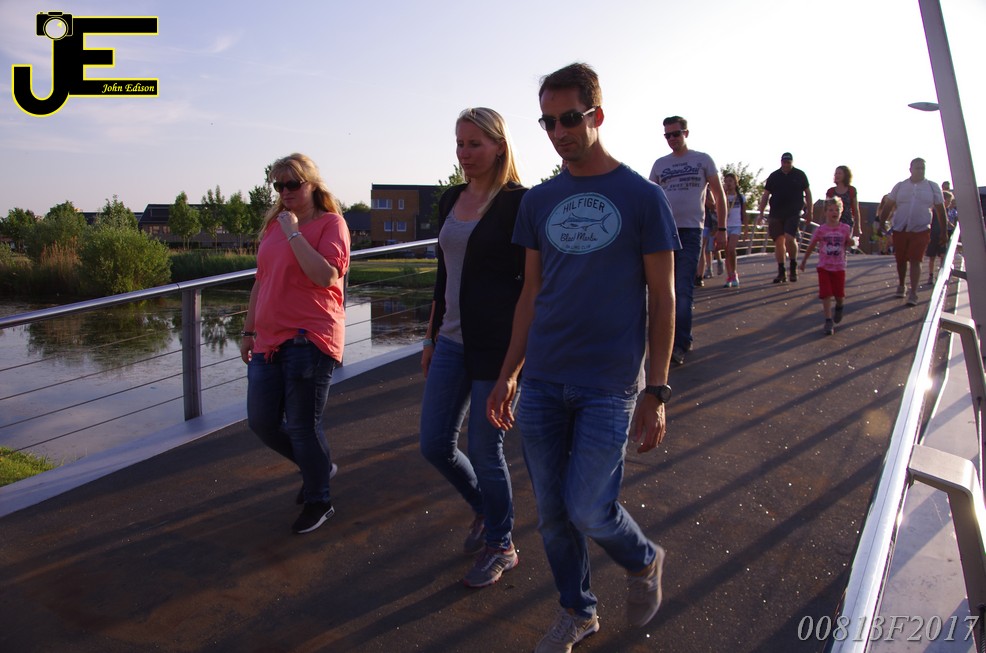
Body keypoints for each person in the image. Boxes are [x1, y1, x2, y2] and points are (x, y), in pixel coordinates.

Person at [487, 62, 679, 653]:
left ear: (597, 115)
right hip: (544, 379)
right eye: (547, 122)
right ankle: (578, 610)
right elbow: (530, 294)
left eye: (569, 118)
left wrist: (656, 391)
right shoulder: (539, 201)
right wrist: (509, 374)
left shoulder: (643, 197)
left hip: (609, 384)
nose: (558, 132)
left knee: (591, 508)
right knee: (552, 514)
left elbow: (664, 299)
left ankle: (643, 560)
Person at [419, 107, 527, 588]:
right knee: (434, 444)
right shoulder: (451, 199)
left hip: (496, 348)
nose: (464, 153)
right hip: (450, 341)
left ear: (499, 146)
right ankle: (484, 508)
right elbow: (444, 274)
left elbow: (532, 288)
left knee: (486, 450)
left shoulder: (519, 203)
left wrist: (514, 369)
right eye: (460, 144)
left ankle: (502, 544)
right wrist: (430, 335)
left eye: (475, 144)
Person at [240, 153, 351, 534]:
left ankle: (320, 500)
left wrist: (294, 233)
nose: (284, 191)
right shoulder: (275, 225)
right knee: (262, 422)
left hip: (309, 337)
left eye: (293, 184)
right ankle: (317, 466)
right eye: (279, 185)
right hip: (269, 339)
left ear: (312, 184)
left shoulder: (330, 224)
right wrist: (249, 331)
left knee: (303, 425)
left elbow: (325, 276)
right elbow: (262, 280)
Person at [649, 115, 726, 366]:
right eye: (667, 135)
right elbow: (649, 197)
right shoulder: (660, 164)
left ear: (686, 133)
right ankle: (665, 340)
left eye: (676, 134)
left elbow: (719, 195)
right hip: (663, 231)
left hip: (691, 231)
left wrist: (722, 228)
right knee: (661, 289)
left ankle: (680, 343)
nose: (672, 139)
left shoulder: (702, 160)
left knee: (683, 289)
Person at [879, 157, 947, 306]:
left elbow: (941, 210)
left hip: (921, 229)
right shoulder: (900, 186)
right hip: (900, 228)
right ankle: (901, 284)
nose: (920, 171)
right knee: (901, 260)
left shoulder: (932, 187)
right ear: (910, 169)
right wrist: (881, 223)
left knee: (916, 259)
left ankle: (913, 292)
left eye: (923, 168)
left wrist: (944, 231)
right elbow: (888, 205)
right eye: (917, 168)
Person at [799, 197, 852, 335]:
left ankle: (839, 306)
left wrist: (851, 242)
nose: (834, 212)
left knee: (839, 295)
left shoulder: (845, 229)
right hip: (824, 266)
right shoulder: (821, 230)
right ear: (825, 212)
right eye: (830, 210)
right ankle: (828, 320)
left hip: (839, 266)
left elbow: (848, 243)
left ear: (841, 212)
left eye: (837, 210)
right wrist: (804, 261)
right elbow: (811, 245)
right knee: (826, 293)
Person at [758, 152, 812, 283]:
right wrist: (761, 213)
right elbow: (766, 195)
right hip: (776, 212)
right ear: (781, 162)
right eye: (784, 162)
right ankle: (781, 271)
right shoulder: (774, 176)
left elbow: (808, 193)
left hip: (793, 212)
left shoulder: (799, 175)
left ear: (792, 162)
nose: (786, 165)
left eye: (788, 162)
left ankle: (793, 266)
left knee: (789, 237)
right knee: (778, 241)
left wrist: (810, 211)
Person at [721, 171, 747, 288]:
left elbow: (744, 213)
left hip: (736, 225)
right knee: (727, 251)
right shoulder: (723, 196)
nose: (728, 183)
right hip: (725, 226)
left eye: (730, 181)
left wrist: (746, 228)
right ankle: (730, 275)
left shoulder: (741, 197)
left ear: (736, 183)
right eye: (726, 181)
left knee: (731, 249)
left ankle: (734, 273)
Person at [825, 165, 862, 241]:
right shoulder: (830, 191)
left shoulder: (851, 190)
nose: (837, 175)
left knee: (843, 243)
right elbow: (825, 209)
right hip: (833, 222)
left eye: (839, 173)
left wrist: (858, 226)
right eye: (836, 173)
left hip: (847, 222)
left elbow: (856, 209)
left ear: (845, 175)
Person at [925, 190, 954, 285]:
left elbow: (946, 221)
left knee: (943, 255)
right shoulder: (934, 210)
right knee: (932, 257)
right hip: (933, 235)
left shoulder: (946, 210)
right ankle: (931, 275)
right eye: (948, 201)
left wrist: (953, 227)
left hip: (942, 235)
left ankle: (941, 274)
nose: (949, 204)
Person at [695, 192, 723, 286]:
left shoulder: (707, 190)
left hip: (705, 222)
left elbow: (713, 206)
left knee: (702, 248)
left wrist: (703, 199)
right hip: (690, 221)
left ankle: (699, 276)